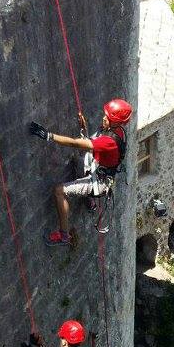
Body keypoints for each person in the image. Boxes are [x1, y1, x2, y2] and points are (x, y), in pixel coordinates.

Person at [29, 99, 133, 246]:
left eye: (107, 117)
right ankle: (89, 201)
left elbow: (75, 143)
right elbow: (95, 143)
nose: (104, 118)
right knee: (78, 161)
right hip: (101, 173)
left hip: (99, 182)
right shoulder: (119, 131)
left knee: (59, 191)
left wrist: (49, 136)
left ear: (115, 121)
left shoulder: (110, 140)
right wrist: (84, 127)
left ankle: (63, 236)